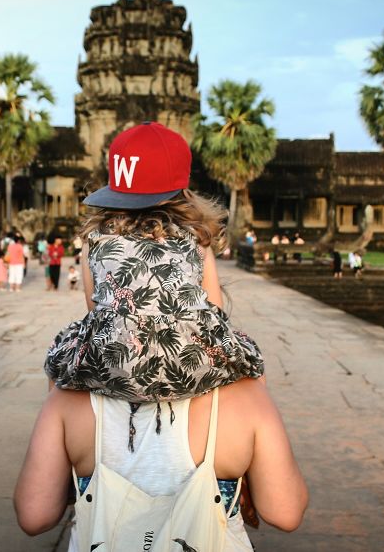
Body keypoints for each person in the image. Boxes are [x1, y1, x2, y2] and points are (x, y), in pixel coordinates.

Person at [25, 122, 304, 548]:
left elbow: (33, 515)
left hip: (93, 402)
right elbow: (285, 513)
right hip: (222, 423)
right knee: (252, 364)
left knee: (57, 361)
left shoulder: (65, 403)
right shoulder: (247, 399)